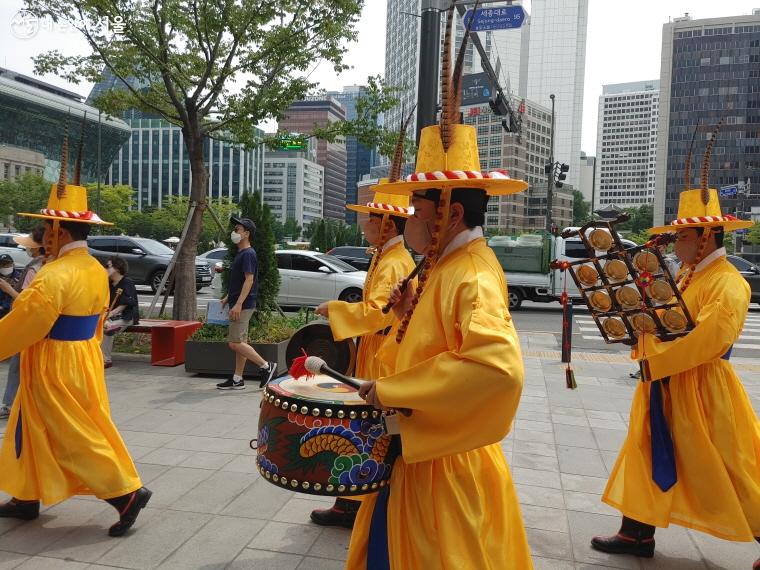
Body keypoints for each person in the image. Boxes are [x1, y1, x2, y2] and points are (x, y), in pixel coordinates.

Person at [344, 104, 533, 565]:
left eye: (417, 209)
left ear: (450, 213)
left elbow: (496, 368)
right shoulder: (441, 265)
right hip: (416, 447)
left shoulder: (472, 276)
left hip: (442, 461)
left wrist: (393, 387)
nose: (410, 219)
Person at [590, 187, 760, 570]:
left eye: (682, 236)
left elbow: (711, 339)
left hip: (702, 389)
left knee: (730, 467)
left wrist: (656, 362)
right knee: (644, 451)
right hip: (666, 383)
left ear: (706, 237)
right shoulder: (688, 274)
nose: (676, 243)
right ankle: (636, 531)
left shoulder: (728, 281)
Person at [0, 163, 151, 537]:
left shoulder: (54, 274)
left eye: (48, 228)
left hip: (52, 361)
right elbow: (99, 319)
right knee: (30, 425)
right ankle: (25, 494)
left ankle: (125, 494)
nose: (44, 236)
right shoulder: (95, 269)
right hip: (82, 355)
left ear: (60, 230)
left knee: (72, 434)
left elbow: (26, 324)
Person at [310, 188, 415, 528]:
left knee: (369, 426)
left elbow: (381, 311)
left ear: (386, 225)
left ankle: (357, 501)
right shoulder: (386, 256)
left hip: (384, 351)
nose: (365, 225)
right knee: (367, 424)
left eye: (371, 219)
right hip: (376, 348)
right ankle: (354, 499)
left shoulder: (395, 260)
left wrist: (337, 310)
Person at [217, 216, 277, 390]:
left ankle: (266, 366)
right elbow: (239, 280)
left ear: (246, 234)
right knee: (240, 342)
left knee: (234, 343)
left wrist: (238, 304)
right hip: (239, 302)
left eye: (238, 229)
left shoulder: (249, 254)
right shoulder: (242, 253)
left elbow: (249, 280)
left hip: (243, 304)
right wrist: (229, 297)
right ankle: (237, 379)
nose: (234, 232)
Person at [0, 227, 46, 420]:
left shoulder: (35, 268)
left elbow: (27, 303)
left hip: (28, 325)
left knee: (19, 364)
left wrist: (8, 289)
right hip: (43, 326)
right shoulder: (47, 265)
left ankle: (11, 405)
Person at [101, 256, 139, 369]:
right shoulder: (108, 283)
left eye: (108, 266)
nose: (105, 268)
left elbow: (125, 304)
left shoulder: (127, 282)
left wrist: (109, 315)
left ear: (117, 268)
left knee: (108, 329)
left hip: (126, 317)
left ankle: (106, 359)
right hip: (109, 316)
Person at [0, 254, 20, 320]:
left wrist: (3, 306)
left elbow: (19, 296)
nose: (5, 266)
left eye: (8, 264)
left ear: (13, 265)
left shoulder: (19, 278)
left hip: (11, 309)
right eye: (2, 264)